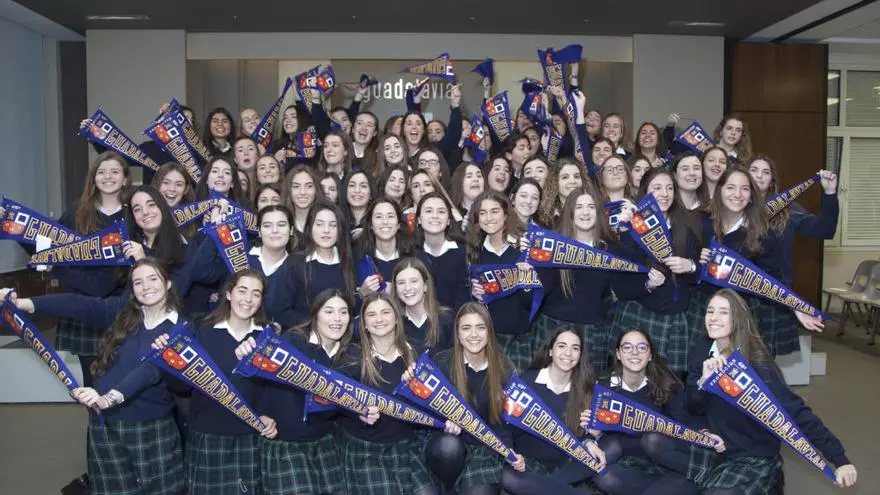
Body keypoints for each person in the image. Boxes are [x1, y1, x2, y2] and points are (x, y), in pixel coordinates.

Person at [4, 259, 186, 494]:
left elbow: (148, 371)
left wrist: (108, 398)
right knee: (110, 489)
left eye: (153, 279)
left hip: (148, 427)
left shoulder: (181, 330)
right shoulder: (123, 315)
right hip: (104, 422)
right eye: (138, 282)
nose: (146, 287)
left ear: (168, 283)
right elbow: (77, 304)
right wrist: (23, 303)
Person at [687, 289, 857, 493]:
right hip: (715, 446)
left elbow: (795, 412)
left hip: (751, 454)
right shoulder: (701, 352)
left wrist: (839, 459)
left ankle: (771, 478)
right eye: (710, 311)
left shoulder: (757, 364)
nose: (713, 318)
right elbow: (692, 406)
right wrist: (704, 382)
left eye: (724, 312)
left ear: (739, 319)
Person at [233, 289, 379, 495]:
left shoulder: (351, 356)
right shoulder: (293, 341)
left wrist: (361, 413)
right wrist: (259, 414)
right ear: (315, 315)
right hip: (286, 443)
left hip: (326, 442)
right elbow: (259, 379)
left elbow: (343, 404)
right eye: (329, 311)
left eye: (343, 312)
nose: (337, 318)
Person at [150, 269, 278, 494]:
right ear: (228, 293)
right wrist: (167, 360)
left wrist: (269, 415)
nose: (248, 299)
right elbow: (182, 387)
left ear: (261, 300)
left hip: (250, 436)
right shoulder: (203, 333)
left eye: (256, 294)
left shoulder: (267, 340)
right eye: (242, 291)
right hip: (207, 435)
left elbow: (273, 390)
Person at [529, 185, 662, 374]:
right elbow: (539, 289)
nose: (585, 212)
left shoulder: (609, 249)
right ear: (570, 213)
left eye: (591, 207)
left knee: (589, 390)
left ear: (598, 213)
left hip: (593, 333)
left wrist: (649, 284)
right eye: (579, 207)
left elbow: (622, 289)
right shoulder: (553, 246)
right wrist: (530, 259)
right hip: (553, 330)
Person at [338, 292, 460, 495]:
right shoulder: (351, 357)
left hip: (407, 444)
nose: (379, 319)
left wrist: (448, 417)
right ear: (364, 324)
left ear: (396, 318)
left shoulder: (417, 354)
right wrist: (356, 411)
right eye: (372, 315)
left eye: (385, 312)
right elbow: (338, 403)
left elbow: (436, 399)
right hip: (367, 449)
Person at [584, 329, 725, 495]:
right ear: (618, 354)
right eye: (627, 347)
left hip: (667, 459)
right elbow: (590, 431)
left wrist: (703, 433)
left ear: (650, 355)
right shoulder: (604, 387)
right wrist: (591, 435)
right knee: (604, 478)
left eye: (642, 347)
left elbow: (684, 419)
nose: (634, 352)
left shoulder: (665, 383)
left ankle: (695, 478)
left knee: (651, 440)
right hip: (632, 464)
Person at [405, 303, 525, 494]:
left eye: (480, 327)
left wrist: (509, 451)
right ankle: (447, 488)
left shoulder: (504, 368)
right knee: (449, 446)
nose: (474, 335)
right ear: (457, 333)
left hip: (483, 449)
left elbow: (504, 423)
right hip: (444, 445)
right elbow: (423, 412)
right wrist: (411, 384)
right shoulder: (441, 363)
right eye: (466, 328)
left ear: (489, 331)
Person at [613, 168, 703, 373]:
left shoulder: (688, 224)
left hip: (677, 317)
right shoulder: (631, 227)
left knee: (673, 383)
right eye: (657, 188)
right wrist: (648, 285)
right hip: (640, 316)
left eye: (670, 188)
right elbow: (620, 285)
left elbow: (702, 270)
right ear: (645, 192)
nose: (664, 193)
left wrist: (691, 266)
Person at [501, 329, 607, 495]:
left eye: (575, 348)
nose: (568, 353)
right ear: (550, 350)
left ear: (580, 355)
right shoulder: (527, 381)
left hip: (566, 466)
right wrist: (509, 450)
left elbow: (582, 434)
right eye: (562, 346)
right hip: (528, 464)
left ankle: (544, 488)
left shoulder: (586, 390)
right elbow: (505, 425)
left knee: (598, 457)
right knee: (508, 478)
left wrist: (590, 440)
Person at [468, 191, 535, 370]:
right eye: (483, 213)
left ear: (506, 215)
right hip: (485, 338)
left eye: (495, 211)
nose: (489, 218)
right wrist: (475, 295)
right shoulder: (474, 252)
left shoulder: (522, 250)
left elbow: (531, 302)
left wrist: (527, 280)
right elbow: (470, 303)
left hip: (519, 338)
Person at [415, 192, 470, 311]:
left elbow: (465, 299)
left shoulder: (463, 253)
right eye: (428, 211)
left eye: (441, 211)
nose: (435, 216)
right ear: (419, 219)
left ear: (449, 220)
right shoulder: (412, 255)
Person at [391, 257, 454, 353]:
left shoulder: (446, 320)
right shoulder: (393, 323)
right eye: (401, 283)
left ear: (425, 285)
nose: (407, 288)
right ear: (395, 289)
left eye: (414, 281)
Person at [539, 158, 588, 227]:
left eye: (577, 176)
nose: (572, 181)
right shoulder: (544, 217)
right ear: (555, 183)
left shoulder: (594, 211)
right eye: (565, 177)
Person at [282, 165, 323, 233]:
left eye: (309, 186)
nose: (302, 192)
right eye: (296, 186)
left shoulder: (328, 220)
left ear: (316, 189)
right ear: (289, 190)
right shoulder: (280, 221)